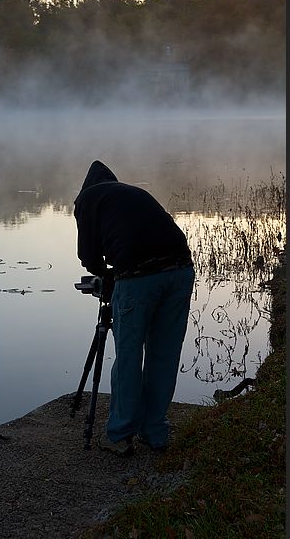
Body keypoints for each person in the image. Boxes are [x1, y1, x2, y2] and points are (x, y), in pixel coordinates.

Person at [74, 161, 195, 456]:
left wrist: (105, 278)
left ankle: (119, 434)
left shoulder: (87, 200)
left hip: (140, 277)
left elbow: (88, 256)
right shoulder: (132, 193)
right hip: (181, 270)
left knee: (128, 356)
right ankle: (155, 432)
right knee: (164, 354)